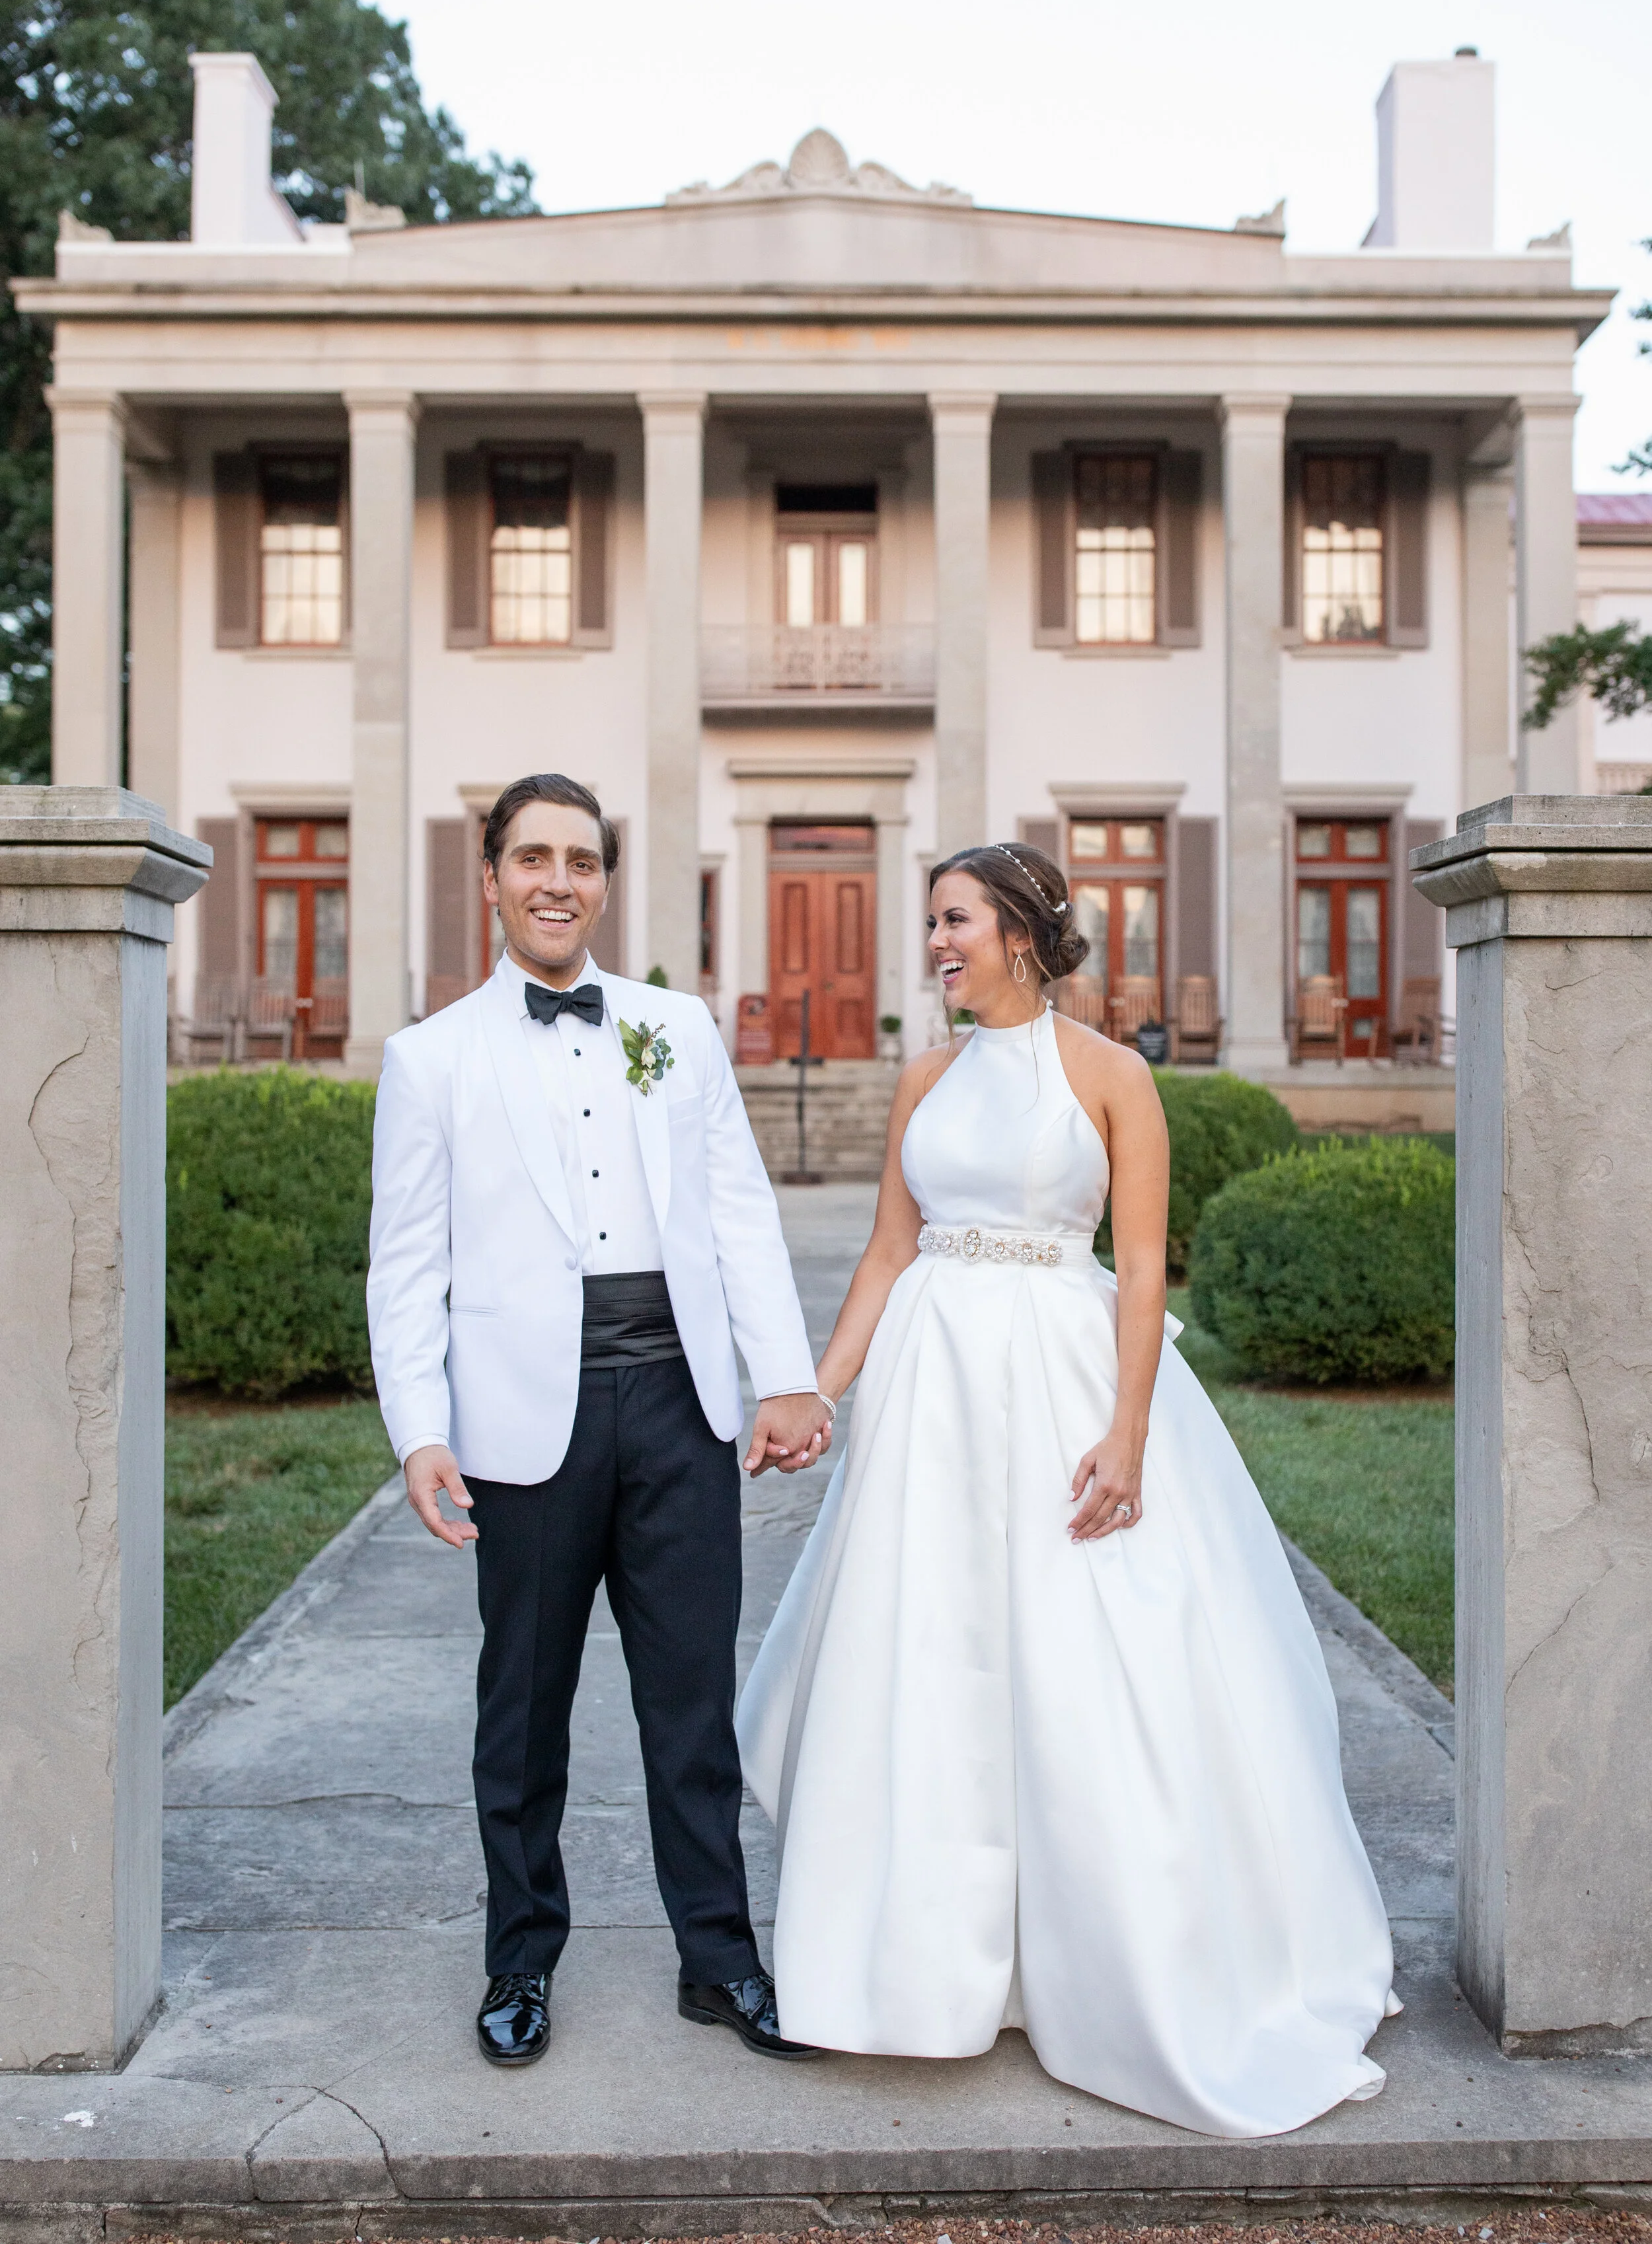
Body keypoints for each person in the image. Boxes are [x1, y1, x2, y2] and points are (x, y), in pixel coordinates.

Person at [737, 840, 1400, 2138]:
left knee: (1084, 1660)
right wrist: (817, 1387)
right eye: (931, 923)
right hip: (929, 1395)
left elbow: (1142, 1269)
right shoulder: (920, 1076)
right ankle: (920, 1967)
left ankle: (1101, 1966)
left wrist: (1129, 1433)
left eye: (955, 921)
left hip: (1058, 1383)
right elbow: (885, 1249)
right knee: (927, 1658)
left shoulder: (1110, 1075)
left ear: (1023, 933)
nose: (936, 943)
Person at [368, 772, 830, 2069]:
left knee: (691, 1702)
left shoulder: (674, 1029)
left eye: (580, 858)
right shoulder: (429, 1058)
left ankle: (717, 1957)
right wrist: (420, 1429)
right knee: (522, 1713)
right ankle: (519, 1960)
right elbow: (403, 1267)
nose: (557, 880)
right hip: (522, 1424)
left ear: (606, 881)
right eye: (533, 858)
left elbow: (734, 1208)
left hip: (678, 1409)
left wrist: (782, 1373)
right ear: (493, 876)